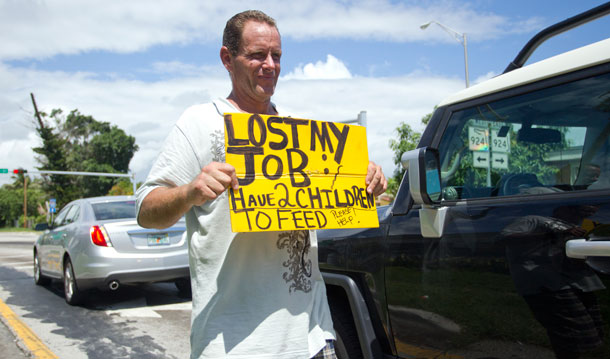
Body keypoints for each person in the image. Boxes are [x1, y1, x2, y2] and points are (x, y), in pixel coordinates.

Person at [136, 10, 387, 359]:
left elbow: (331, 208)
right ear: (227, 58)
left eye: (277, 56)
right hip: (235, 343)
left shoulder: (299, 133)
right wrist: (189, 192)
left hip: (313, 338)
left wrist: (365, 185)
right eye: (257, 55)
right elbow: (147, 210)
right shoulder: (199, 121)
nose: (270, 65)